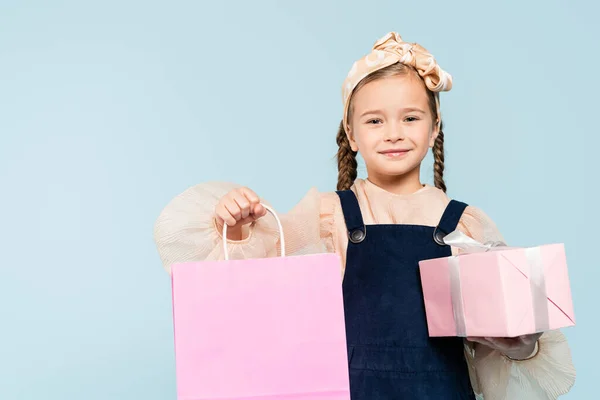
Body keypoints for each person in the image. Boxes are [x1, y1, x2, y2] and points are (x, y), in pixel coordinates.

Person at [153, 32, 575, 399]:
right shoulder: (328, 213)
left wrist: (519, 340)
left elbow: (494, 347)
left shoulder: (465, 225)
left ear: (434, 128)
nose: (394, 132)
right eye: (375, 120)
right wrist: (238, 225)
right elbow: (259, 275)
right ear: (352, 133)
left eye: (410, 117)